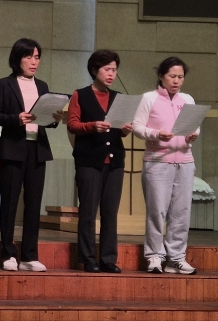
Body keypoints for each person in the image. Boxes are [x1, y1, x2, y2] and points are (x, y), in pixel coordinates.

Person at [0, 38, 61, 272]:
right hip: (13, 148)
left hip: (37, 150)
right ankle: (8, 253)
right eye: (29, 57)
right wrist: (16, 119)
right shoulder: (4, 84)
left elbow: (46, 120)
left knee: (33, 203)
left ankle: (30, 255)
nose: (33, 62)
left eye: (37, 57)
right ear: (17, 59)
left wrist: (55, 119)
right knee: (9, 202)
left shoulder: (43, 86)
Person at [67, 50, 132, 273]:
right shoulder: (80, 95)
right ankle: (88, 259)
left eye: (114, 70)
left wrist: (125, 130)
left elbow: (119, 130)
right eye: (107, 69)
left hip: (114, 161)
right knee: (88, 212)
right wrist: (92, 126)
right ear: (95, 70)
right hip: (89, 160)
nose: (111, 74)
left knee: (110, 213)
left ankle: (108, 259)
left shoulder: (118, 98)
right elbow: (72, 124)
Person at [132, 57, 199, 275]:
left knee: (181, 213)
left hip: (185, 161)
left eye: (180, 77)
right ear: (161, 76)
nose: (176, 81)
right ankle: (154, 256)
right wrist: (156, 134)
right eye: (172, 76)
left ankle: (176, 258)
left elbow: (195, 125)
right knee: (157, 211)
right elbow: (137, 127)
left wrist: (193, 135)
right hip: (158, 161)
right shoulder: (149, 98)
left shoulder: (187, 99)